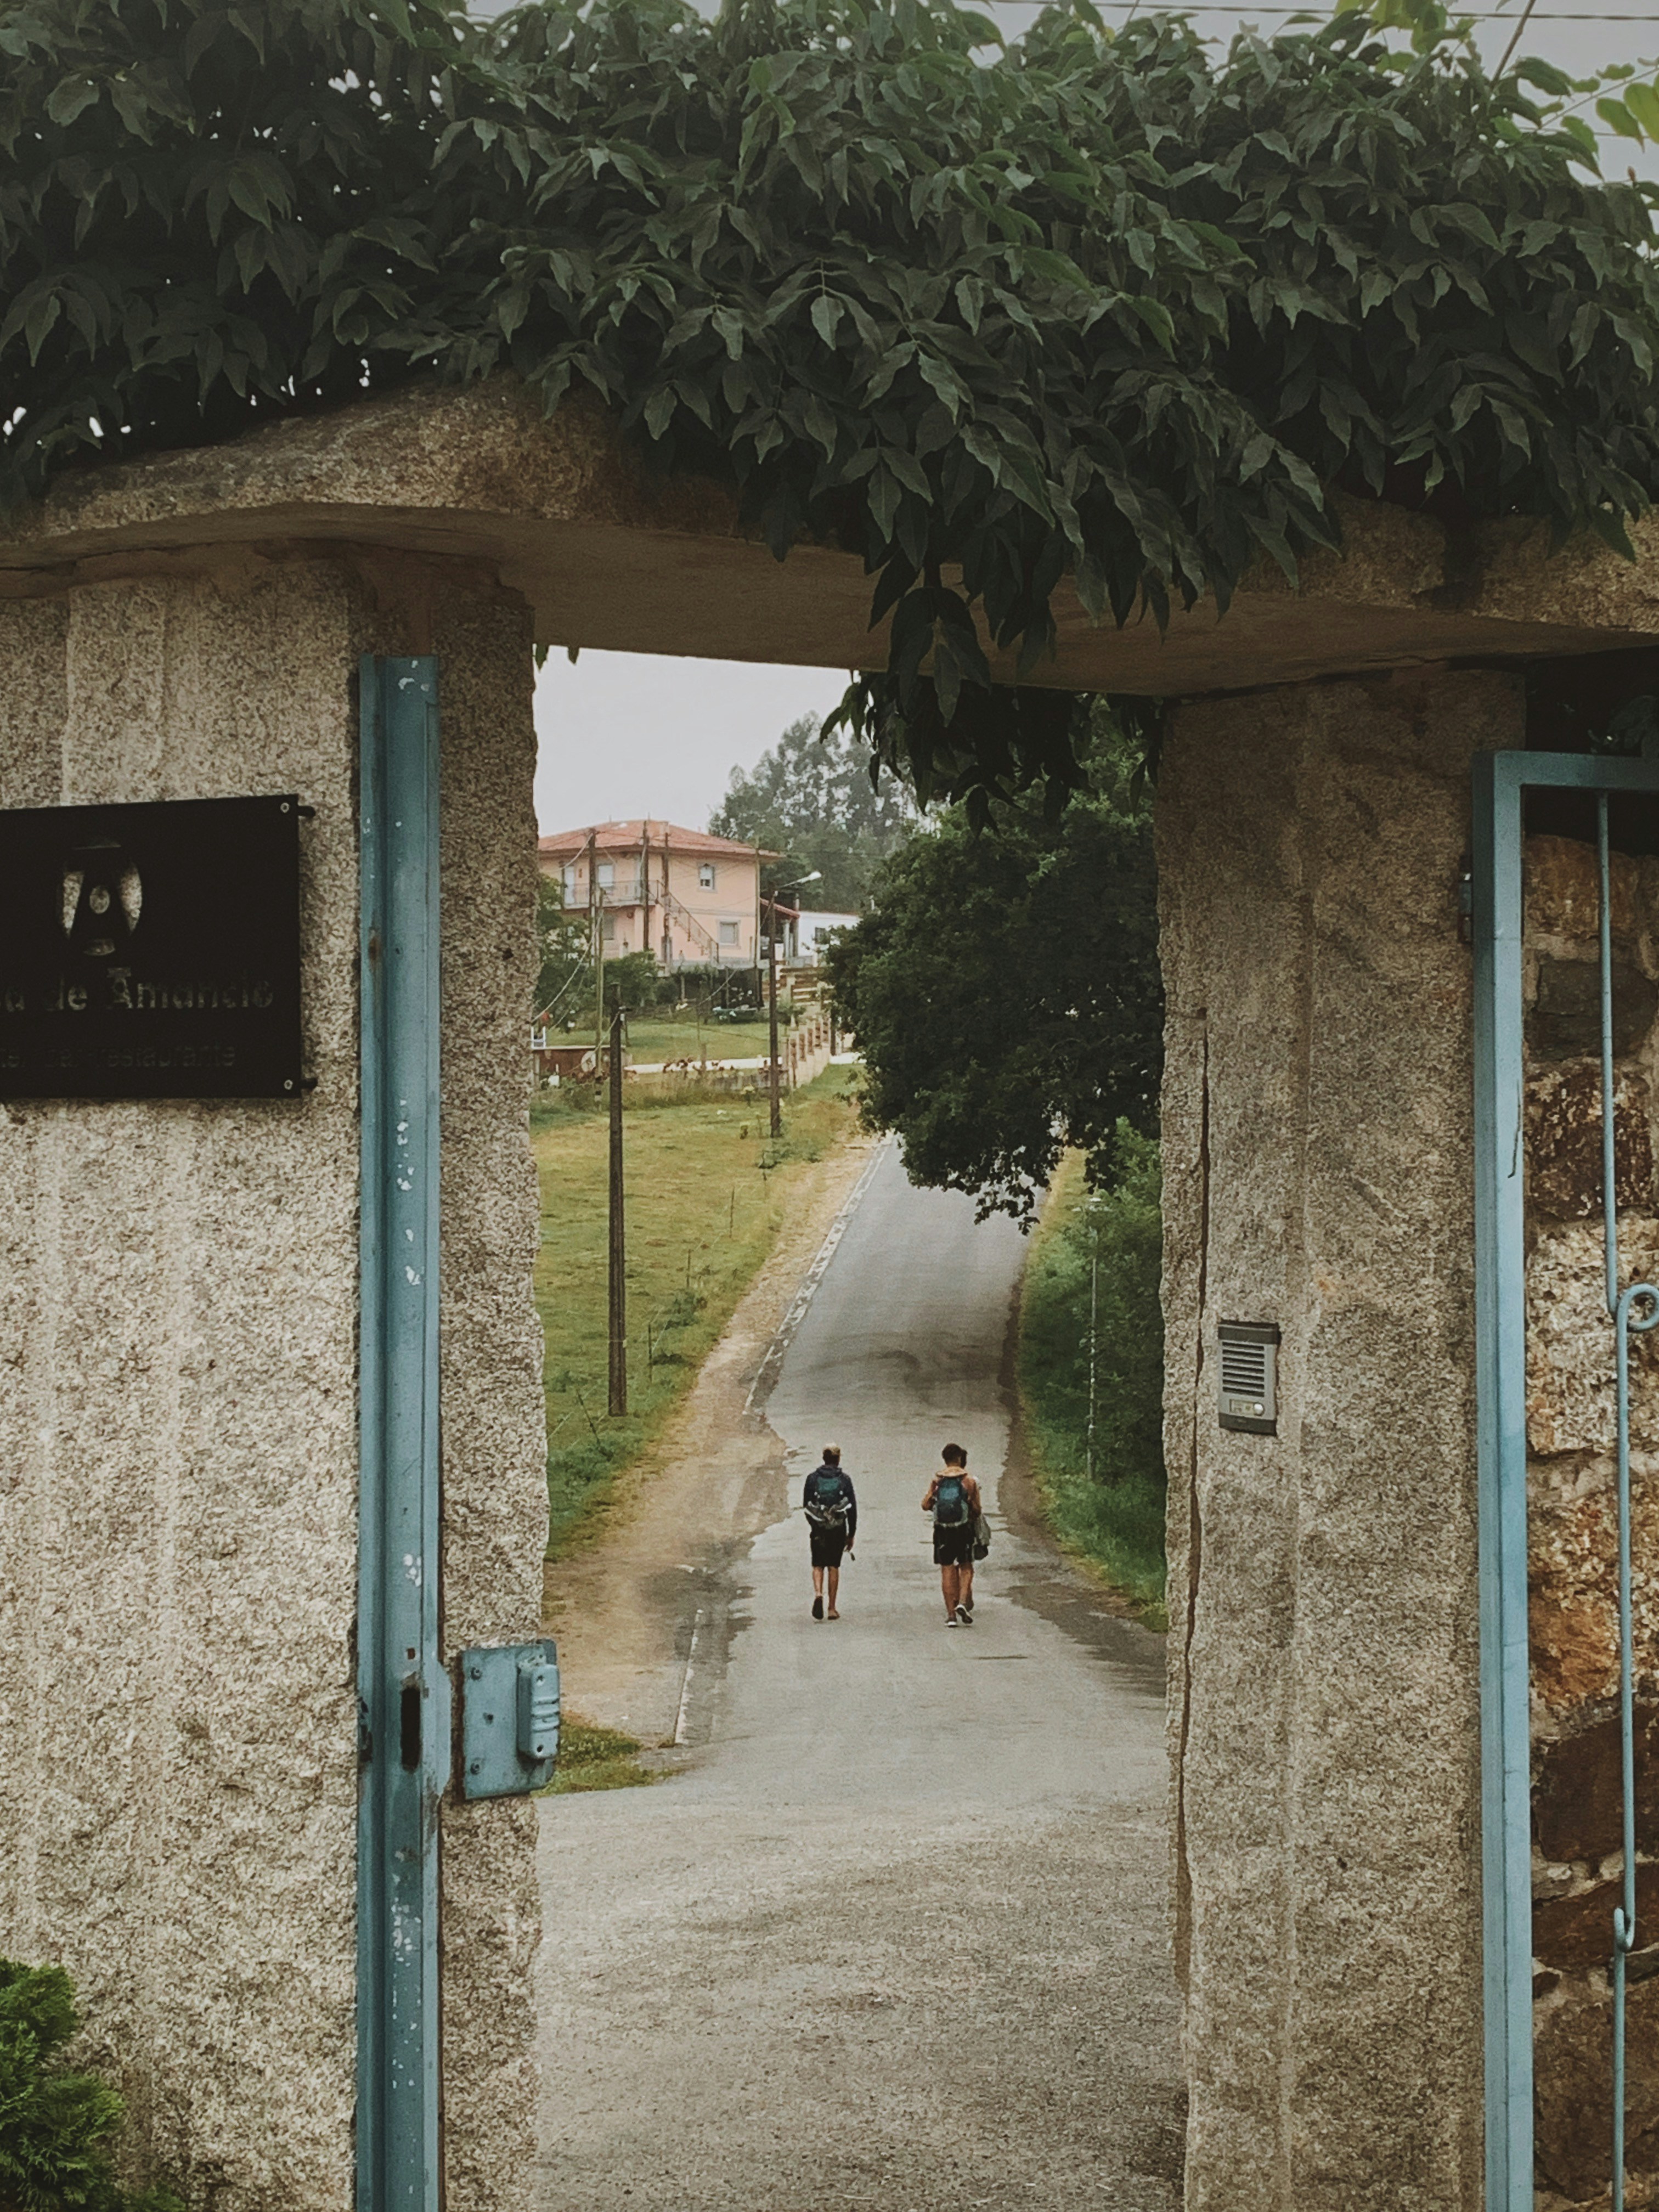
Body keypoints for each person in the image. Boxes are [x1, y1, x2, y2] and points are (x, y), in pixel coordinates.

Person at [922, 1443, 981, 1627]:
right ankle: (963, 1602)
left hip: (942, 1531)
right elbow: (978, 1510)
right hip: (964, 1530)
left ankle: (951, 1616)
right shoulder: (968, 1481)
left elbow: (925, 1505)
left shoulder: (937, 1481)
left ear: (945, 1459)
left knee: (947, 1569)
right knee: (966, 1567)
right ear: (959, 1458)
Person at [802, 1444, 856, 1621]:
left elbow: (806, 1506)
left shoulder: (812, 1479)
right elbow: (852, 1509)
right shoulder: (845, 1480)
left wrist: (815, 1524)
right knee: (834, 1566)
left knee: (818, 1564)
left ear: (824, 1458)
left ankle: (818, 1593)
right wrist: (851, 1533)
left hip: (818, 1527)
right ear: (838, 1459)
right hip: (838, 1528)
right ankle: (832, 1608)